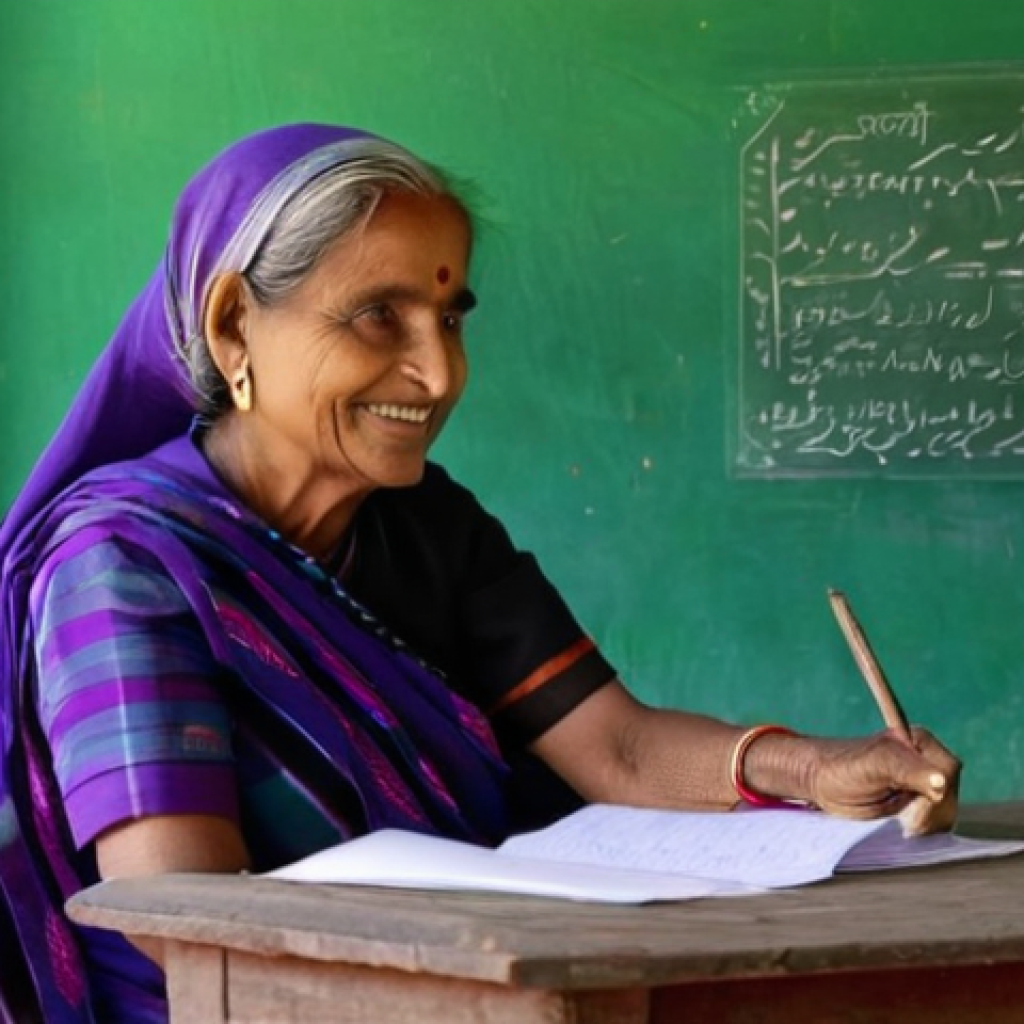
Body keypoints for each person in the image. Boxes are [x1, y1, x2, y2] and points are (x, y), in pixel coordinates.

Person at [0, 124, 960, 1024]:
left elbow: (616, 751)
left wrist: (816, 770)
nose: (440, 373)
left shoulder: (426, 520)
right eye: (381, 316)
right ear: (232, 327)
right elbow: (182, 920)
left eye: (450, 318)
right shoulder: (121, 563)